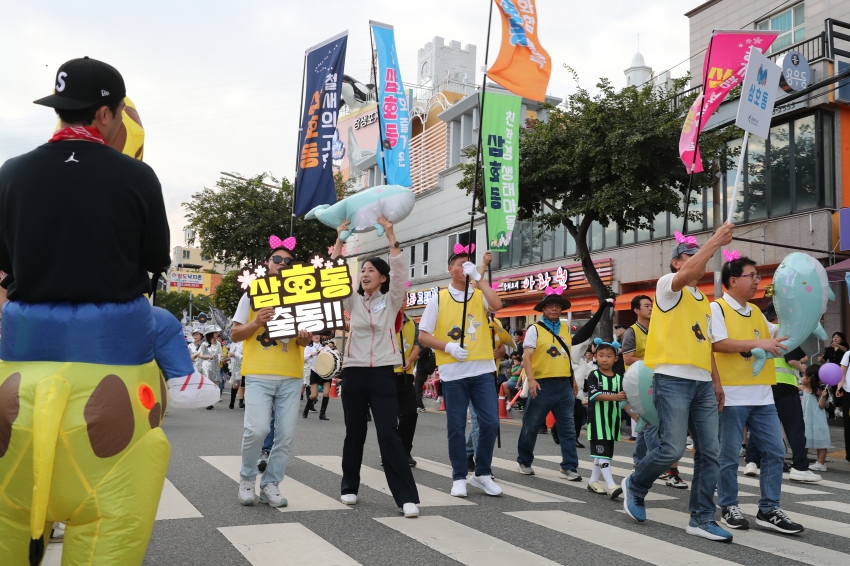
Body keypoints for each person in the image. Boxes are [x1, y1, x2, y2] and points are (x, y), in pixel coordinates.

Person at [0, 57, 186, 566]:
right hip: (112, 372)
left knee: (5, 522)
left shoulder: (11, 173)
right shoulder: (136, 177)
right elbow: (154, 262)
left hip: (17, 373)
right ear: (106, 114)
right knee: (108, 525)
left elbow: (4, 265)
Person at [621, 223, 734, 543]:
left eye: (699, 255)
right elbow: (687, 275)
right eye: (690, 254)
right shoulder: (668, 287)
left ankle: (700, 517)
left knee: (710, 452)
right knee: (670, 449)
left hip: (702, 384)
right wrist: (715, 241)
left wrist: (717, 382)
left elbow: (706, 344)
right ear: (675, 262)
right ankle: (636, 485)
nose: (697, 259)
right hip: (671, 380)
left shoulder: (705, 302)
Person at [331, 217, 420, 518]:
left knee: (388, 434)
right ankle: (349, 486)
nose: (365, 273)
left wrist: (392, 236)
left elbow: (399, 273)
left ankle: (406, 497)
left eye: (371, 270)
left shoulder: (392, 300)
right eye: (363, 270)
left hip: (383, 373)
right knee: (353, 432)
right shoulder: (353, 302)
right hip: (354, 372)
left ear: (382, 278)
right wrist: (340, 242)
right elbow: (336, 276)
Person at [710, 255, 804, 534]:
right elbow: (719, 343)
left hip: (763, 396)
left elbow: (781, 338)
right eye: (751, 275)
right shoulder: (717, 308)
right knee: (728, 456)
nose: (756, 280)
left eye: (756, 275)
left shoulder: (756, 312)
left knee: (775, 451)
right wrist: (759, 342)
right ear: (732, 280)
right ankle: (728, 506)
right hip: (731, 394)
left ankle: (768, 508)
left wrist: (803, 316)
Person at [231, 238, 312, 508]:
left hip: (291, 376)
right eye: (278, 259)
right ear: (267, 263)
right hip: (258, 374)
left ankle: (270, 484)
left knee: (285, 435)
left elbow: (304, 342)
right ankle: (246, 479)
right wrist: (256, 321)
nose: (283, 264)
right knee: (257, 430)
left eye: (288, 262)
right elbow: (234, 333)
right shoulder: (252, 293)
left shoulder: (301, 297)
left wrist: (304, 336)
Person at [418, 244, 504, 498]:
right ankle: (458, 476)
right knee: (456, 426)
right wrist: (448, 347)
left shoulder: (479, 293)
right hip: (453, 372)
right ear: (449, 268)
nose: (463, 267)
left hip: (482, 370)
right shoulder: (439, 298)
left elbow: (497, 305)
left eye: (468, 264)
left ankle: (482, 474)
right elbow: (423, 336)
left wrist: (479, 277)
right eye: (459, 264)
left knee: (490, 422)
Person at [516, 290, 611, 479]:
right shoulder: (535, 329)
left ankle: (569, 466)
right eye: (550, 306)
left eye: (557, 306)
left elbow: (567, 357)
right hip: (542, 384)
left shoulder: (565, 330)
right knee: (531, 425)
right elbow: (527, 356)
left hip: (564, 385)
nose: (554, 308)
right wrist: (532, 380)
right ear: (543, 309)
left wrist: (573, 380)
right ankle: (524, 461)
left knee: (568, 428)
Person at [744, 304, 822, 482]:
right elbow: (792, 358)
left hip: (765, 384)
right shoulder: (785, 332)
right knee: (794, 426)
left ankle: (752, 462)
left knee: (763, 426)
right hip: (785, 385)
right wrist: (802, 367)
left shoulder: (763, 331)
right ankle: (799, 467)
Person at [625, 295, 687, 488]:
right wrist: (652, 364)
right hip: (640, 385)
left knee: (647, 425)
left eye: (651, 305)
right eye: (646, 306)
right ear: (636, 310)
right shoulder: (632, 332)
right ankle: (660, 467)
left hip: (659, 380)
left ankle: (640, 461)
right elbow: (627, 359)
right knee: (653, 424)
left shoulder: (658, 329)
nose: (650, 308)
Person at [585, 339, 625, 498]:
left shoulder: (619, 378)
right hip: (597, 422)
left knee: (603, 454)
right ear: (595, 356)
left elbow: (624, 401)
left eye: (609, 356)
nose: (604, 359)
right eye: (601, 355)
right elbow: (594, 396)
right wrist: (616, 396)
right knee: (603, 454)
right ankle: (611, 484)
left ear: (616, 358)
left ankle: (593, 481)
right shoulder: (593, 375)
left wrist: (639, 417)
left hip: (612, 422)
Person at [394, 301, 421, 466]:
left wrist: (410, 360)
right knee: (389, 417)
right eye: (398, 298)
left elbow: (418, 344)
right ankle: (390, 452)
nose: (401, 302)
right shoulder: (384, 320)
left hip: (406, 375)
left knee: (410, 413)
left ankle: (404, 451)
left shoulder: (412, 322)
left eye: (404, 298)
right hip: (386, 374)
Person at [802, 365, 831, 471]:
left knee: (821, 441)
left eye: (804, 375)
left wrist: (823, 397)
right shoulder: (804, 389)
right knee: (804, 440)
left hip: (817, 420)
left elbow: (822, 406)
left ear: (809, 378)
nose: (802, 377)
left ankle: (821, 463)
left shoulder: (818, 391)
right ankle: (802, 459)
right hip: (806, 419)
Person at [303, 334, 330, 420]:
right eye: (314, 334)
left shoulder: (325, 347)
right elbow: (303, 358)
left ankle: (322, 414)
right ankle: (306, 410)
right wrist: (311, 354)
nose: (316, 336)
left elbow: (332, 355)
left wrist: (335, 352)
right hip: (315, 371)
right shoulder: (308, 347)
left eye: (318, 334)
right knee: (314, 395)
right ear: (311, 337)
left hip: (326, 371)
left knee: (326, 393)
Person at [198, 326, 223, 410]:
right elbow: (200, 355)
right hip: (207, 365)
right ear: (211, 334)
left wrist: (221, 358)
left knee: (216, 383)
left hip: (216, 365)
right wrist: (208, 356)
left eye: (217, 333)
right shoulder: (204, 344)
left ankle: (212, 400)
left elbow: (220, 353)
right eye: (215, 333)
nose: (217, 334)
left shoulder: (218, 344)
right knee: (208, 383)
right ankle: (208, 402)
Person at [228, 340, 244, 409]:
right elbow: (230, 354)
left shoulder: (247, 341)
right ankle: (232, 401)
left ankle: (241, 401)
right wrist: (238, 354)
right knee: (235, 385)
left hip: (245, 365)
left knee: (242, 385)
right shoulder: (235, 343)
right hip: (236, 366)